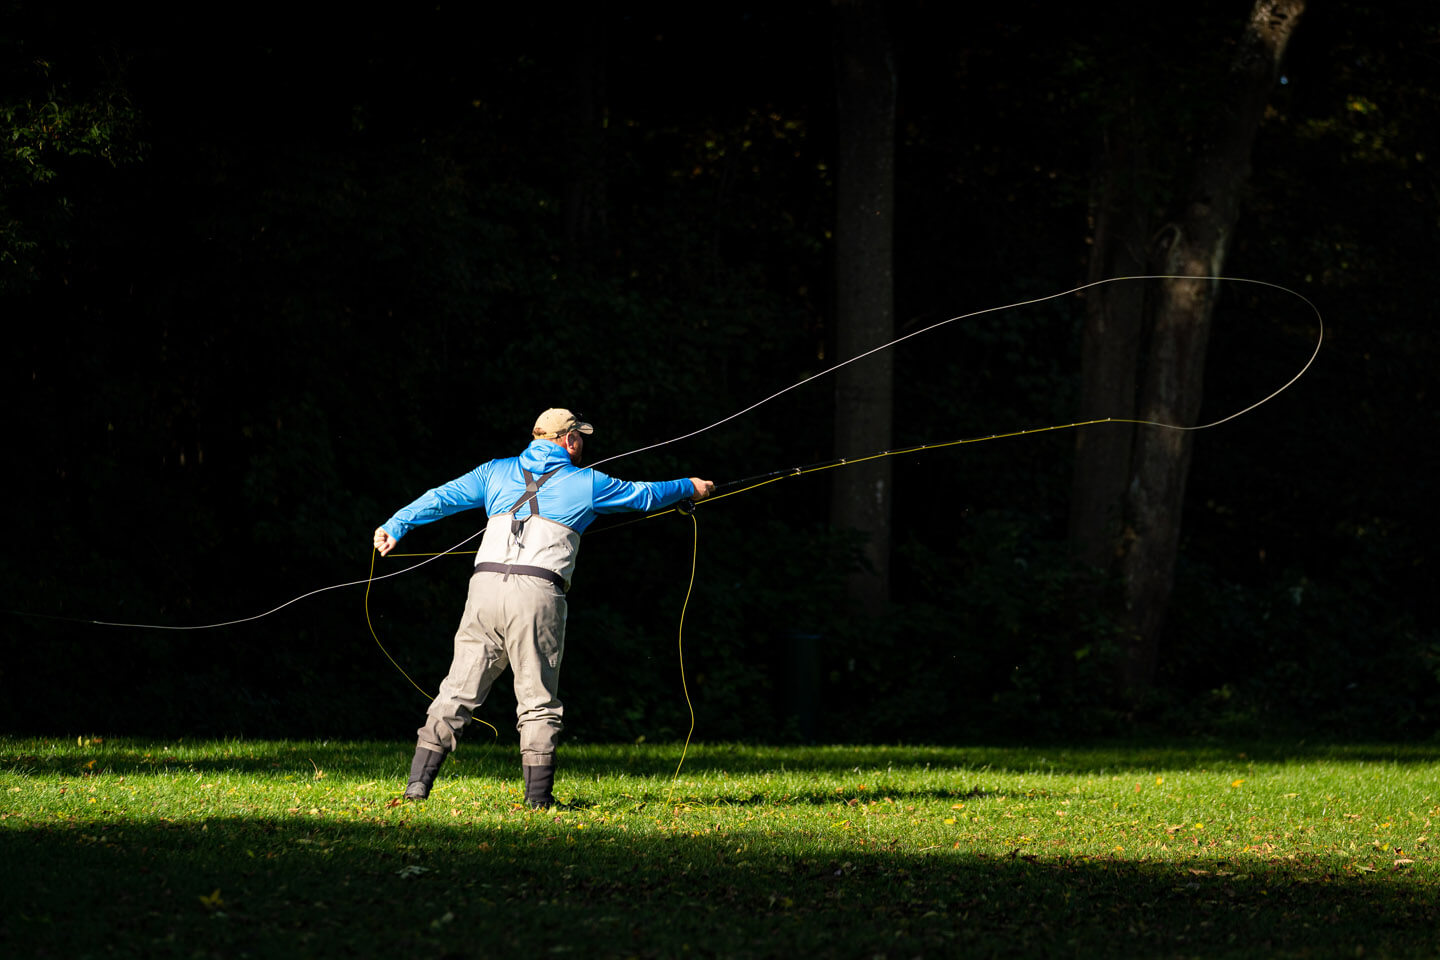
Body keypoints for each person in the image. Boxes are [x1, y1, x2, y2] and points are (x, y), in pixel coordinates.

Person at [373, 408, 714, 808]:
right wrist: (689, 486)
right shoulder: (587, 482)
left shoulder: (494, 471)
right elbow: (645, 496)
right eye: (580, 436)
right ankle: (538, 800)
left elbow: (441, 497)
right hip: (537, 592)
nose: (583, 443)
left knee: (457, 689)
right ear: (568, 440)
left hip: (482, 589)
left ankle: (416, 788)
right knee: (537, 698)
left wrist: (396, 525)